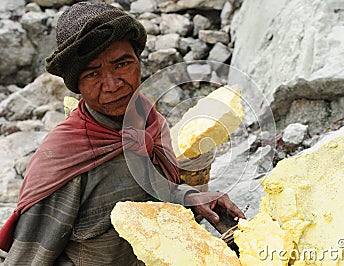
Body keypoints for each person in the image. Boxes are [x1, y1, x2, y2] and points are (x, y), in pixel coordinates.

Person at [0, 2, 244, 265]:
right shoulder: (63, 160)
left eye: (122, 64)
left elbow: (151, 199)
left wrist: (191, 198)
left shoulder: (149, 122)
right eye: (93, 73)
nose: (113, 85)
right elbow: (28, 258)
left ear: (138, 61)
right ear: (77, 85)